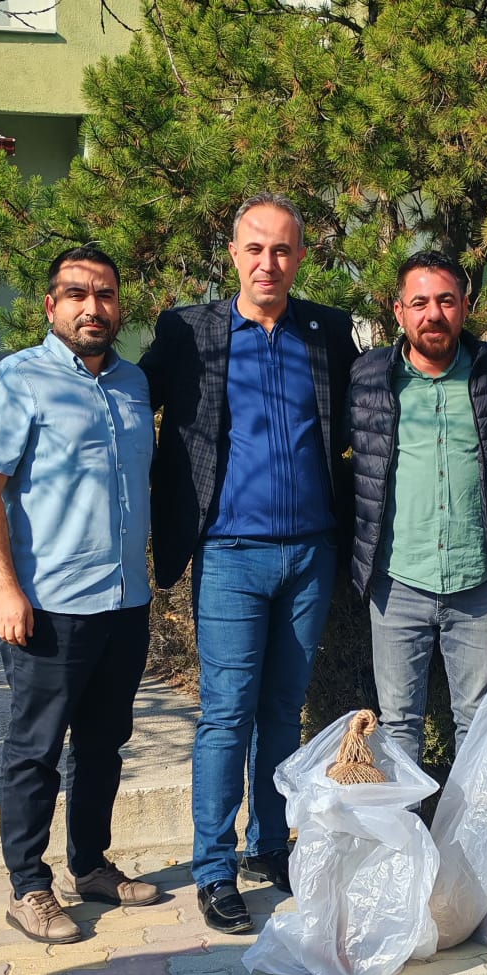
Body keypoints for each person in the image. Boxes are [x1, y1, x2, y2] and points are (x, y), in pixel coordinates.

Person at [140, 195, 358, 936]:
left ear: (301, 257)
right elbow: (130, 397)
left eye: (283, 249)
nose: (269, 262)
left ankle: (270, 845)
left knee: (282, 712)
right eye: (256, 248)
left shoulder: (327, 331)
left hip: (311, 554)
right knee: (227, 714)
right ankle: (213, 866)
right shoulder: (189, 331)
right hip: (230, 554)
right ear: (233, 254)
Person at [0, 243, 160, 944]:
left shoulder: (134, 384)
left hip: (123, 603)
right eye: (77, 294)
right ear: (51, 306)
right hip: (48, 607)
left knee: (104, 745)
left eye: (104, 294)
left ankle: (90, 865)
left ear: (118, 307)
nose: (92, 306)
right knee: (36, 751)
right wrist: (4, 589)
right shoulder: (19, 379)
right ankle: (28, 886)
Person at [348, 251, 487, 766]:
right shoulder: (369, 377)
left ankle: (470, 824)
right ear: (399, 311)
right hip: (397, 582)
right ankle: (406, 822)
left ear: (465, 307)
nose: (434, 314)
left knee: (477, 722)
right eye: (420, 303)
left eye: (446, 301)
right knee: (398, 725)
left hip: (477, 583)